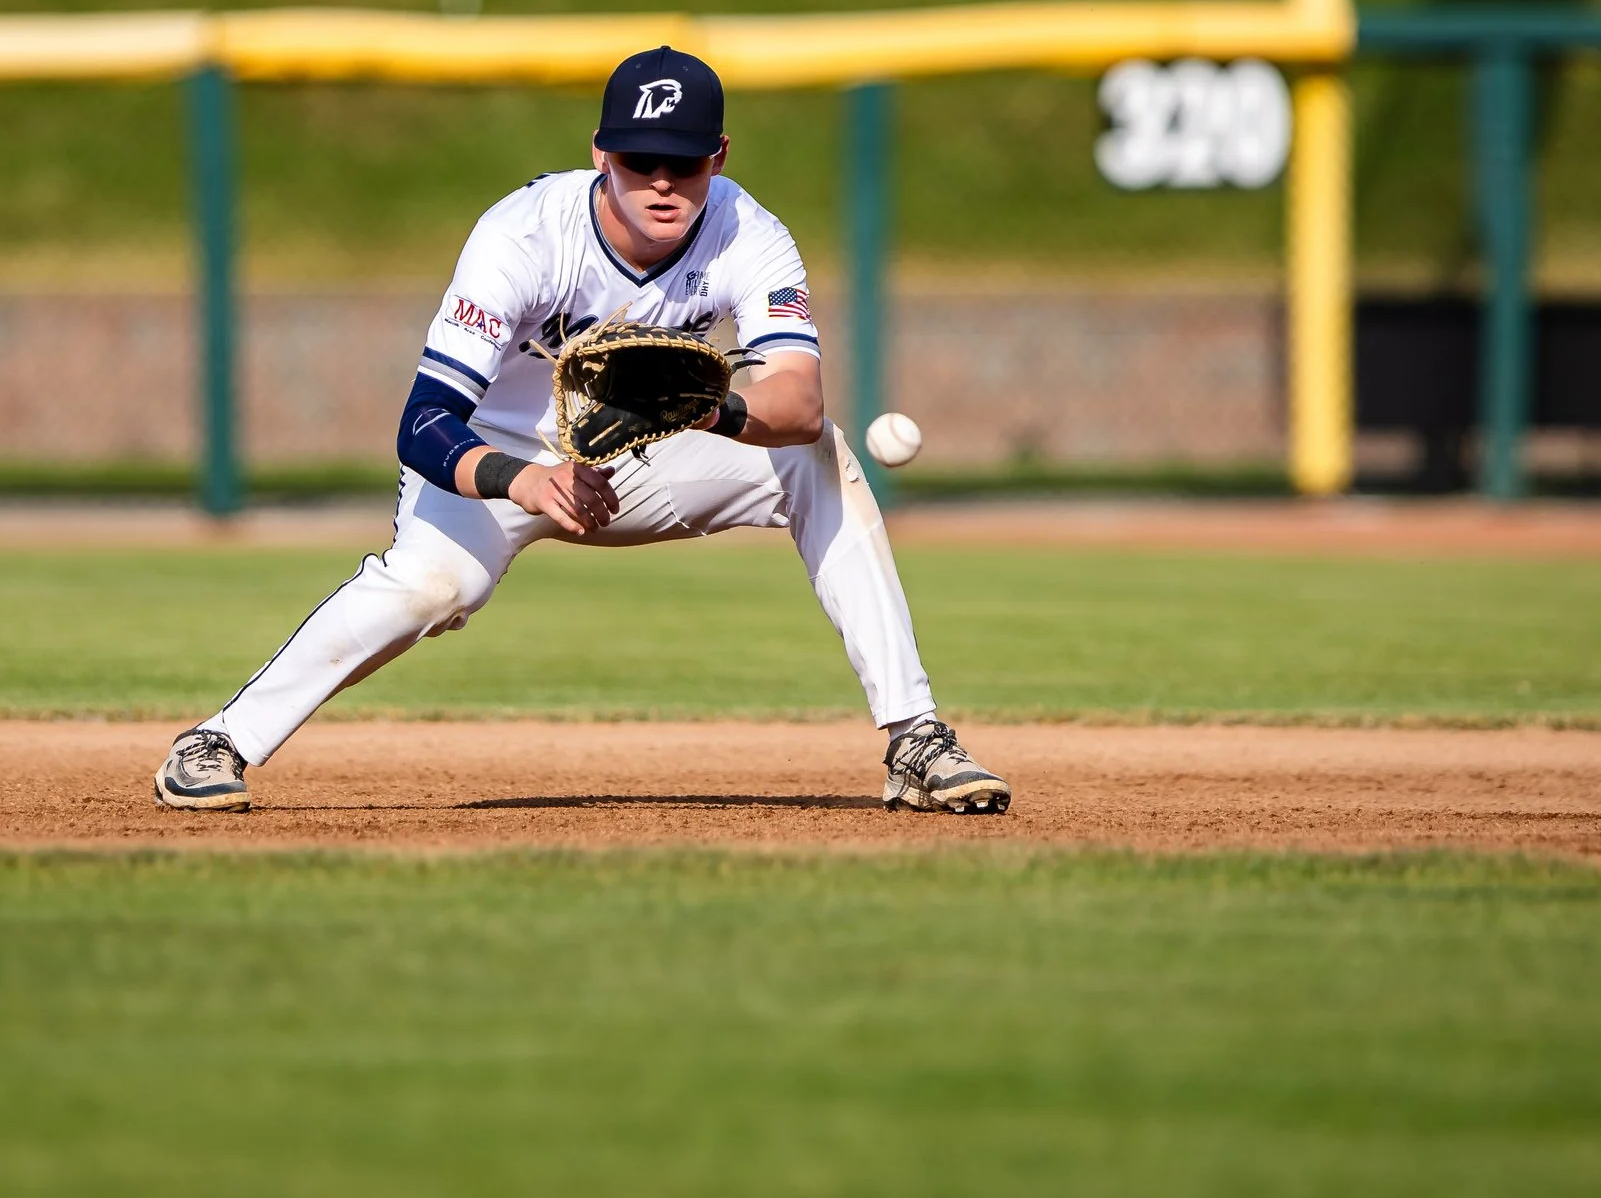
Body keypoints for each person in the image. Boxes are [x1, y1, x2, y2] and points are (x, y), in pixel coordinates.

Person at [153, 46, 1011, 816]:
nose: (663, 182)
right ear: (602, 155)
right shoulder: (524, 237)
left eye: (686, 162)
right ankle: (216, 743)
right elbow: (422, 425)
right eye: (640, 161)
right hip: (495, 456)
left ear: (719, 158)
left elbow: (800, 405)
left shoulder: (748, 233)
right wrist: (526, 481)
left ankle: (916, 738)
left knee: (819, 458)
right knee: (427, 590)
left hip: (647, 448)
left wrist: (707, 409)